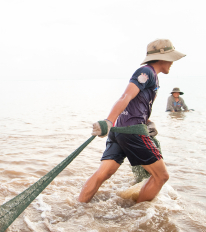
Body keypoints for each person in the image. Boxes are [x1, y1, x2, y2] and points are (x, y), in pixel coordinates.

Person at [78, 39, 186, 204]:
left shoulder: (152, 76)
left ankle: (78, 208)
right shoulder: (146, 72)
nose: (172, 62)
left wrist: (148, 122)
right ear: (161, 58)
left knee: (103, 174)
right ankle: (137, 215)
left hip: (120, 131)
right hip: (132, 132)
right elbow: (126, 96)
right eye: (171, 58)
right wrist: (108, 121)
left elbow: (136, 105)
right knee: (161, 176)